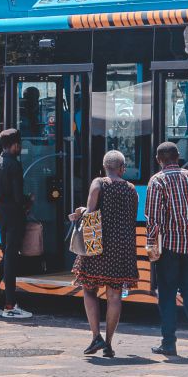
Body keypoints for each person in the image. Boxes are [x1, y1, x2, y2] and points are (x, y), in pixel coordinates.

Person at [144, 141, 188, 356]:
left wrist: (152, 244)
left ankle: (169, 343)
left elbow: (153, 220)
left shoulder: (157, 181)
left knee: (167, 294)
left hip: (168, 247)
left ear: (159, 160)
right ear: (178, 157)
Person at [68, 150, 139, 358]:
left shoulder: (98, 183)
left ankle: (95, 336)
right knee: (114, 296)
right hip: (122, 249)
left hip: (97, 246)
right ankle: (108, 344)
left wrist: (80, 211)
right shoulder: (131, 189)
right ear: (122, 168)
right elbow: (130, 217)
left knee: (89, 289)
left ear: (104, 167)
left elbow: (90, 213)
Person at [0, 129, 33, 319]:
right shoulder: (14, 165)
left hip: (0, 212)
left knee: (6, 256)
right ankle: (10, 305)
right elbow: (18, 197)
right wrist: (28, 201)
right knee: (10, 259)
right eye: (19, 144)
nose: (20, 148)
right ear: (14, 145)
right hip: (14, 214)